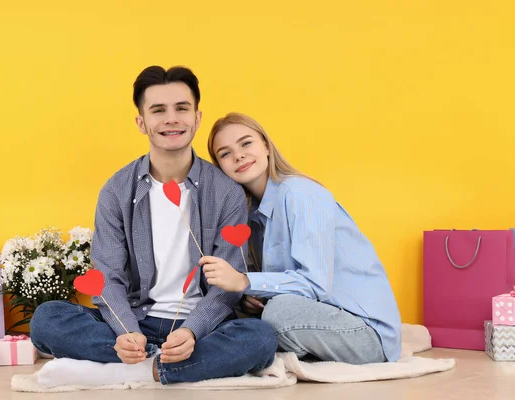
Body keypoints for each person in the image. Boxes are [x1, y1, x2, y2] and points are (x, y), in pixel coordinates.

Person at [29, 68, 277, 387]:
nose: (171, 119)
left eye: (181, 108)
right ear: (142, 122)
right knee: (47, 320)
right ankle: (160, 363)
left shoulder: (226, 191)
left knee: (260, 337)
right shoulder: (116, 190)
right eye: (158, 110)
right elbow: (108, 276)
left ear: (197, 118)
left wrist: (190, 331)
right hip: (137, 322)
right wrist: (126, 332)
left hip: (203, 330)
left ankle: (145, 369)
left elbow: (225, 286)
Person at [201, 112, 402, 364]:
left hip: (366, 334)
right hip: (321, 319)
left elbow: (315, 284)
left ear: (265, 145)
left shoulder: (300, 193)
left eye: (246, 143)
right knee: (230, 310)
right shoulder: (251, 216)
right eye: (225, 153)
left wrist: (244, 281)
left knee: (278, 312)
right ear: (220, 167)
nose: (238, 155)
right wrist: (252, 296)